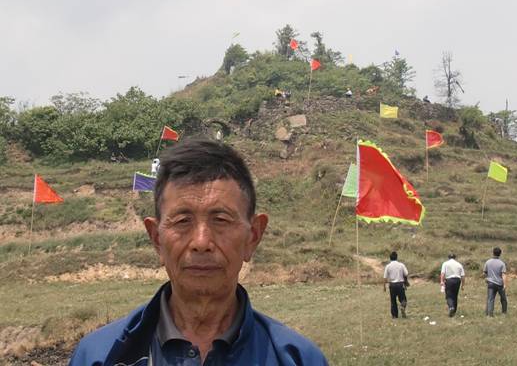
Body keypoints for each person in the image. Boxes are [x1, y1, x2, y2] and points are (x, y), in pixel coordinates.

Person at [70, 139, 328, 365]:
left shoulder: (298, 359)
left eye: (221, 220)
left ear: (253, 236)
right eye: (183, 221)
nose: (201, 242)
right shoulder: (100, 356)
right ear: (156, 239)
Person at [383, 251, 409, 319]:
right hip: (400, 284)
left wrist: (384, 286)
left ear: (390, 258)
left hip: (392, 285)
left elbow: (385, 277)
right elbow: (406, 273)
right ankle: (402, 306)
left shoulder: (388, 266)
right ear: (397, 257)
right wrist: (405, 281)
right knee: (403, 299)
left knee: (393, 301)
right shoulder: (401, 265)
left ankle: (394, 316)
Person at [483, 246, 508, 317]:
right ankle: (504, 313)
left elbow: (484, 273)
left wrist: (486, 278)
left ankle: (489, 314)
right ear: (500, 254)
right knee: (503, 299)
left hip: (491, 283)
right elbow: (503, 275)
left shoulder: (488, 262)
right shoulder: (502, 263)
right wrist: (505, 284)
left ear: (493, 253)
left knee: (490, 299)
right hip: (500, 283)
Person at [440, 253, 465, 317]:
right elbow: (463, 276)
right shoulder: (459, 264)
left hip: (449, 280)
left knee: (449, 296)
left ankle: (451, 307)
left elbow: (443, 273)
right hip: (457, 280)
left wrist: (442, 281)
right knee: (455, 296)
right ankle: (454, 312)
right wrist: (462, 285)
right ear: (455, 257)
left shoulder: (445, 263)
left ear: (448, 257)